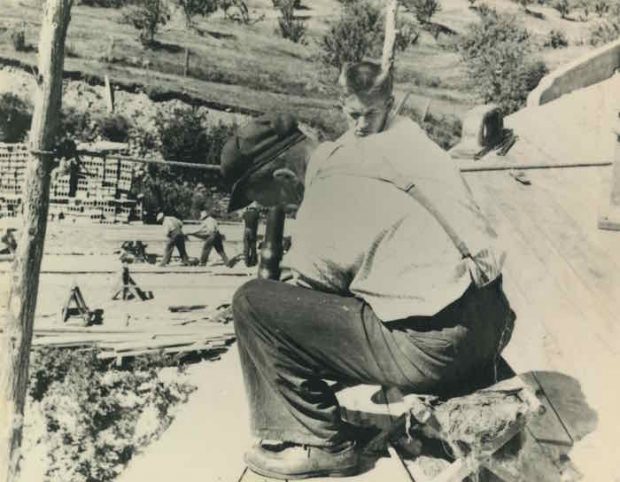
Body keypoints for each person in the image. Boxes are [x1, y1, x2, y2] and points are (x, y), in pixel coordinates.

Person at [220, 65, 515, 480]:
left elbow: (302, 313)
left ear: (285, 178)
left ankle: (321, 443)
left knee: (253, 303)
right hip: (497, 320)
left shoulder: (322, 204)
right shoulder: (383, 141)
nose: (268, 210)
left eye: (264, 199)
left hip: (443, 350)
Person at [242, 203, 260, 267]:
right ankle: (253, 261)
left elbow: (243, 217)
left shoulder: (246, 213)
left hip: (246, 230)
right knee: (253, 246)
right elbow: (258, 219)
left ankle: (246, 262)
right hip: (253, 230)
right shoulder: (256, 214)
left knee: (246, 246)